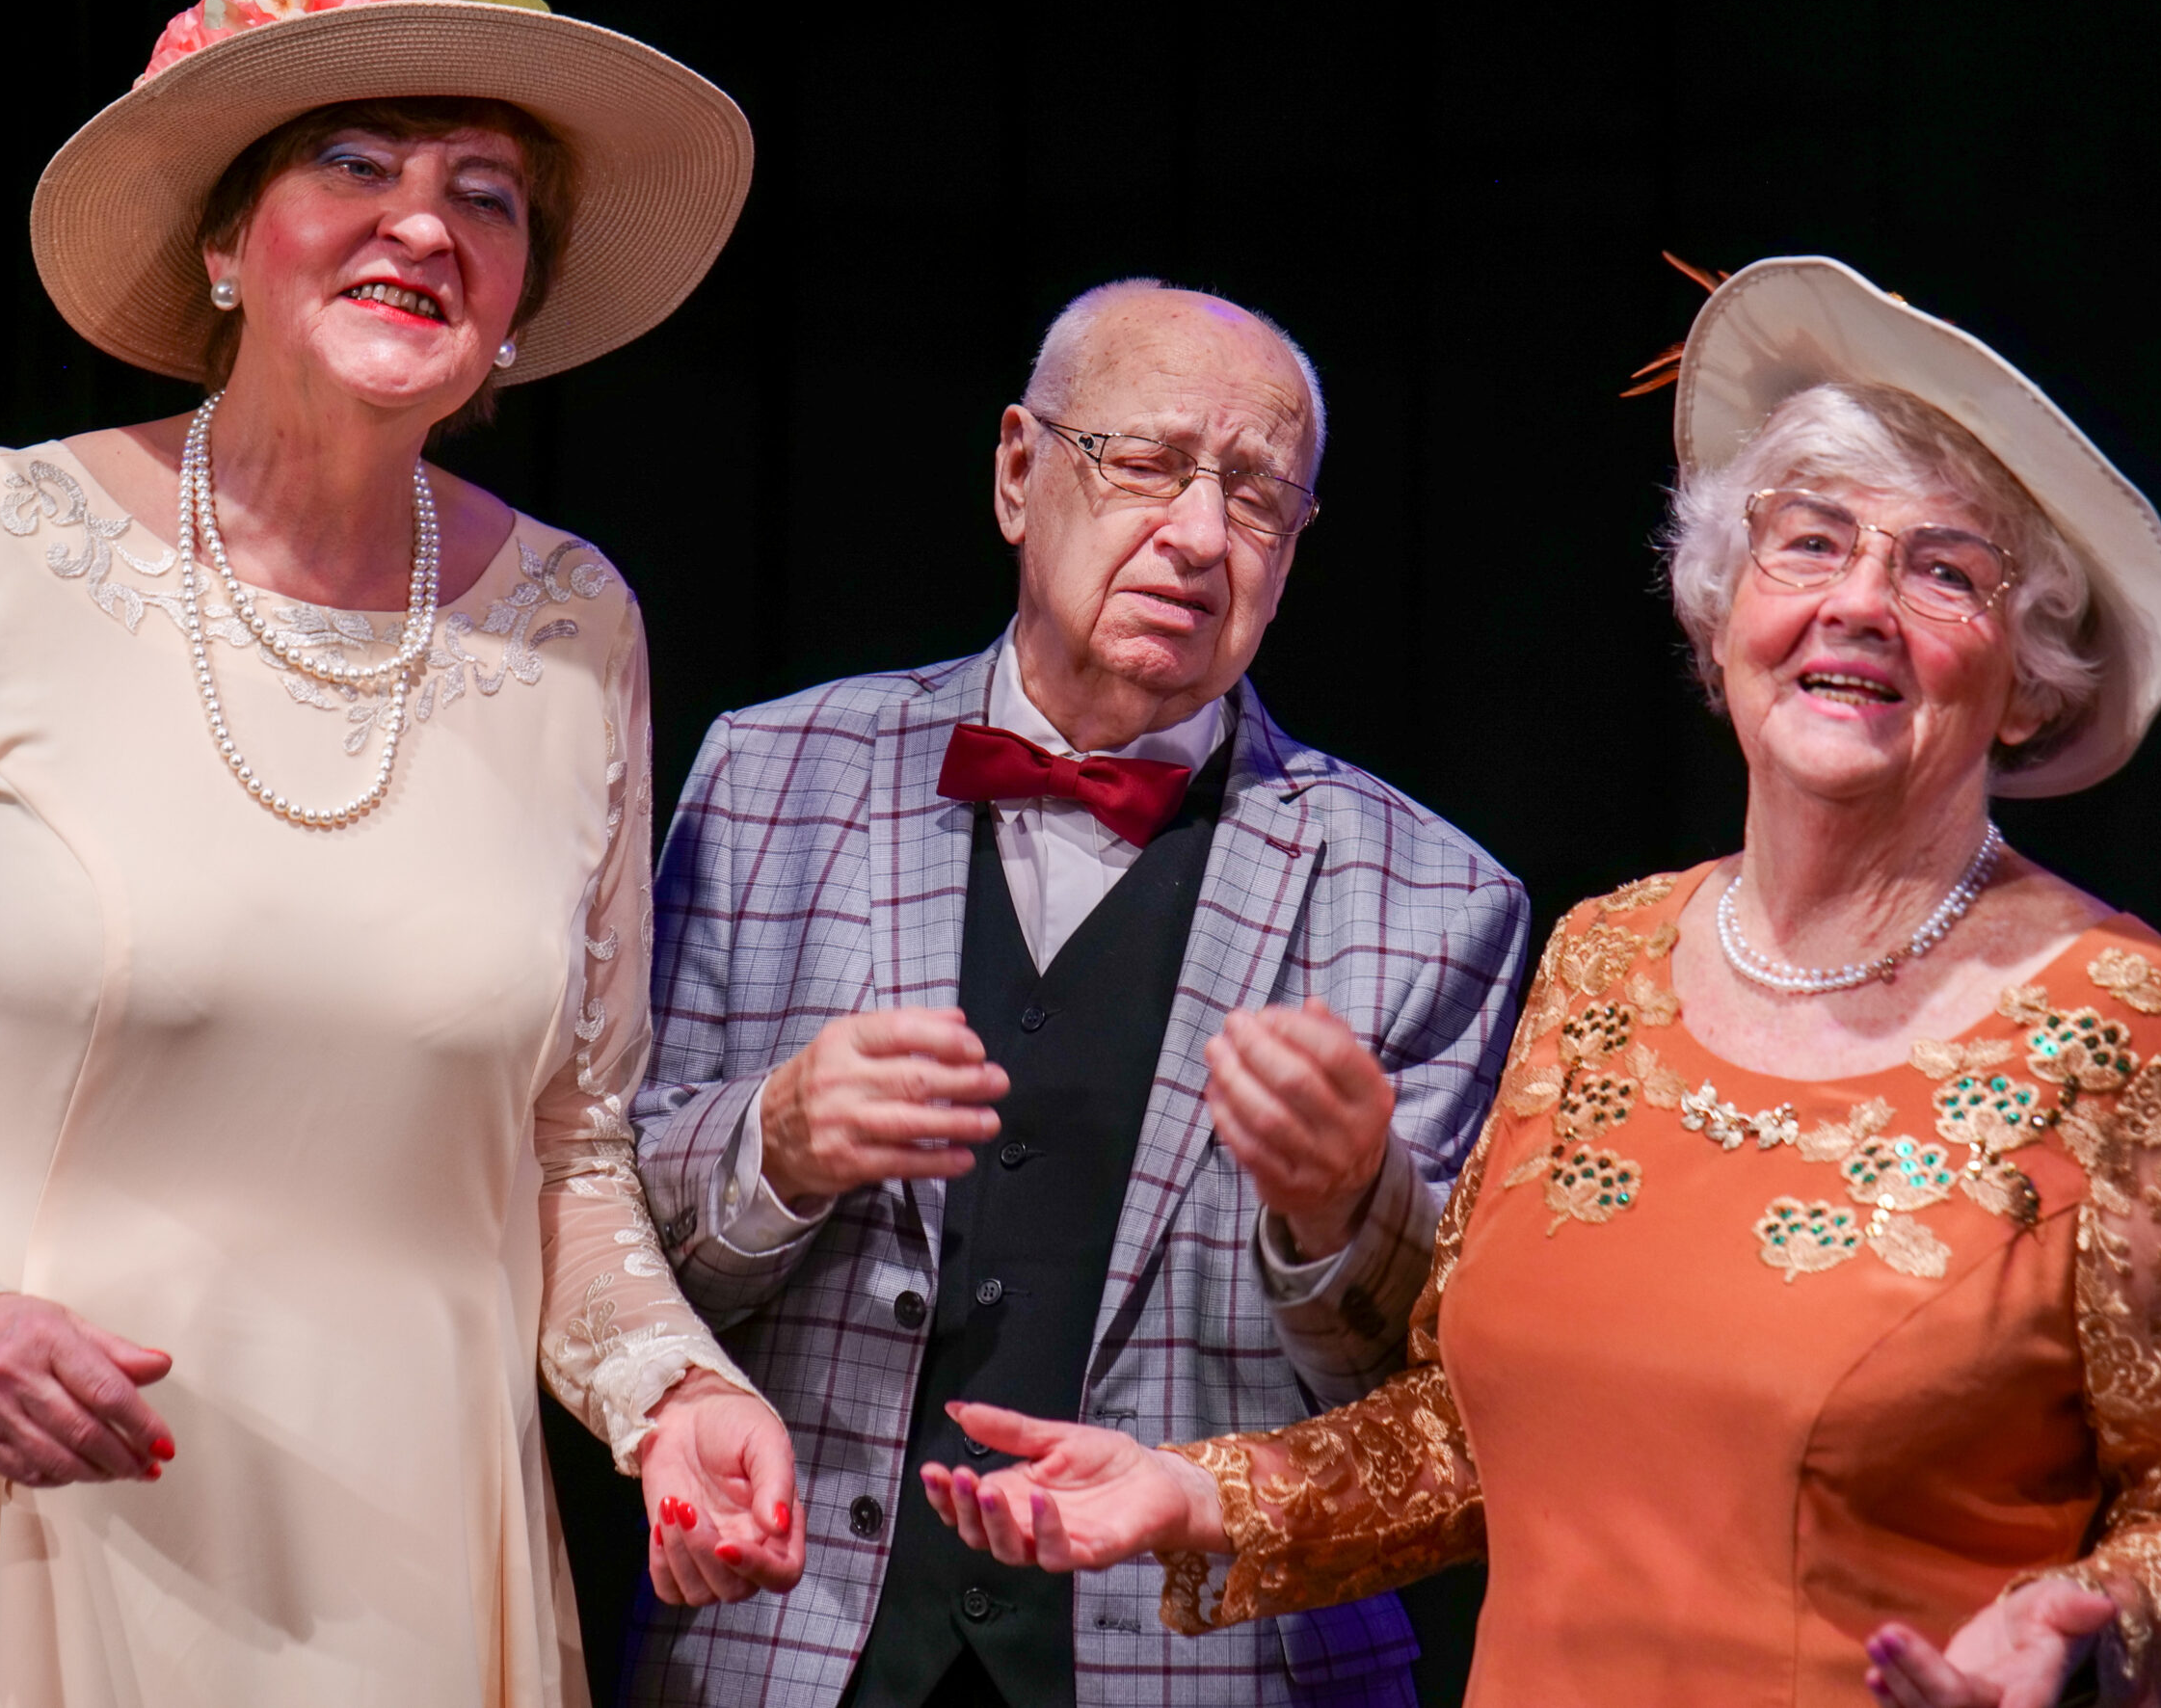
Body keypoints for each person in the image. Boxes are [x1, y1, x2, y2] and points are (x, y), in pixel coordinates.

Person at [922, 256, 2161, 1708]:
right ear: (1721, 611)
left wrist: (2082, 1627)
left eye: (1945, 572)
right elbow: (1478, 1435)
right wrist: (1196, 1491)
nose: (1861, 604)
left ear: (2029, 675)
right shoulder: (1608, 956)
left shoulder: (2138, 1034)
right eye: (1809, 545)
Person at [0, 0, 802, 1707]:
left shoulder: (575, 627)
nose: (423, 223)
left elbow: (569, 1160)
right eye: (354, 163)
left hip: (407, 1582)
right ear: (223, 245)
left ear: (514, 310)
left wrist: (675, 1396)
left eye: (487, 195)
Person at [625, 279, 1529, 1704]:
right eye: (1148, 462)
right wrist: (774, 1144)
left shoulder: (1434, 897)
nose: (1198, 535)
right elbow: (608, 1233)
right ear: (1016, 472)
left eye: (1255, 497)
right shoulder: (771, 776)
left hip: (1212, 1670)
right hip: (793, 1642)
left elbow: (1430, 1412)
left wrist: (1346, 1210)